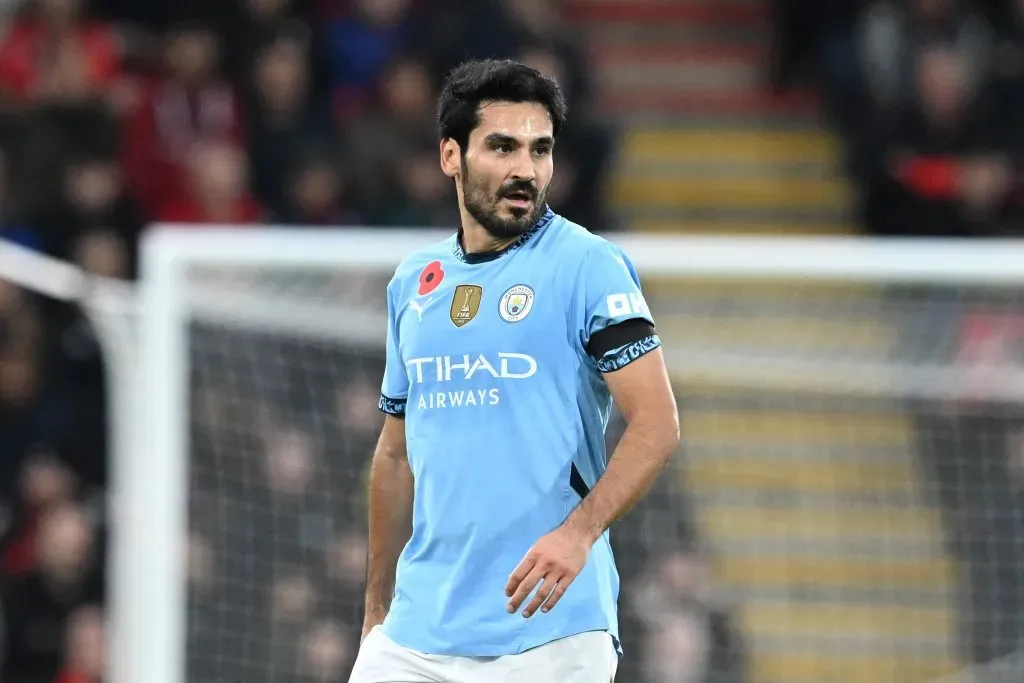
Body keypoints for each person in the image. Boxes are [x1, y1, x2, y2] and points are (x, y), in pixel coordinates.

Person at [349, 59, 680, 683]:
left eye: (540, 149)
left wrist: (579, 534)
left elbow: (657, 423)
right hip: (416, 635)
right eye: (502, 147)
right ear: (452, 156)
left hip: (548, 631)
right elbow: (393, 456)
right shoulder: (412, 285)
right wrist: (376, 610)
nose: (525, 170)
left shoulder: (589, 266)